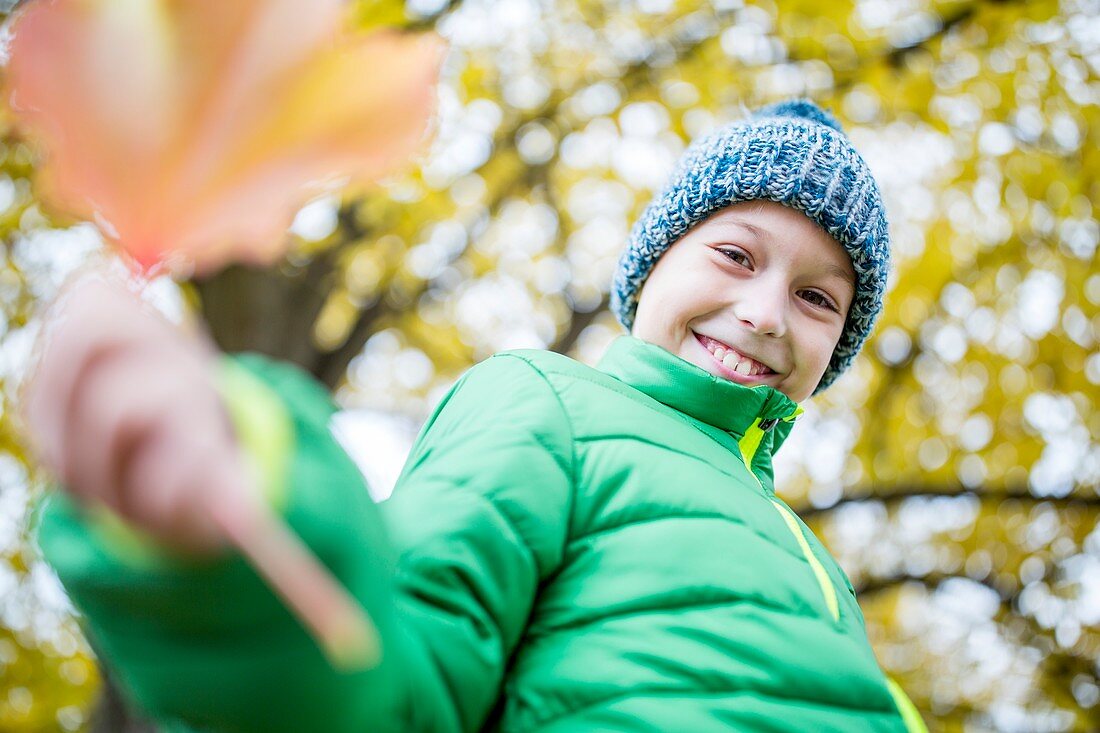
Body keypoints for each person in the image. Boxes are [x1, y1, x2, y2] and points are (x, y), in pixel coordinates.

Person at [25, 99, 927, 732]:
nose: (768, 312)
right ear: (653, 265)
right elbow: (399, 668)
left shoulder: (807, 551)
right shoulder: (547, 403)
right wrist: (239, 537)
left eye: (818, 298)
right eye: (736, 254)